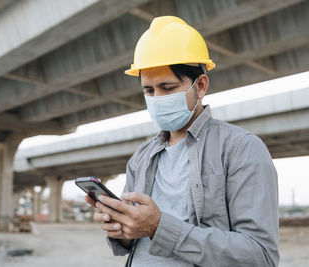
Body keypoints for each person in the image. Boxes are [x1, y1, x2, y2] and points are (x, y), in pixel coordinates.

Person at [84, 16, 279, 266]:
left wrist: (159, 227)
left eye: (168, 88)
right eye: (149, 91)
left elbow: (260, 255)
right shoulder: (141, 156)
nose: (157, 98)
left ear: (200, 85)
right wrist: (122, 228)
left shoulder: (241, 148)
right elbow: (136, 238)